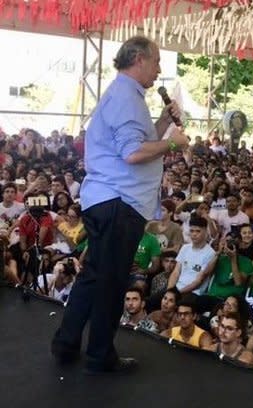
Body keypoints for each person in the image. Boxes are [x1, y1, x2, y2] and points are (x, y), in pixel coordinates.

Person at [51, 36, 189, 374]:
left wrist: (162, 123)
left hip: (107, 200)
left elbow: (139, 142)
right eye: (156, 62)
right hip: (119, 202)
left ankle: (66, 343)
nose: (159, 71)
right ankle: (100, 355)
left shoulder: (125, 96)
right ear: (139, 59)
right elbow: (133, 154)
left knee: (95, 276)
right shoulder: (127, 98)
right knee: (111, 283)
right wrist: (171, 143)